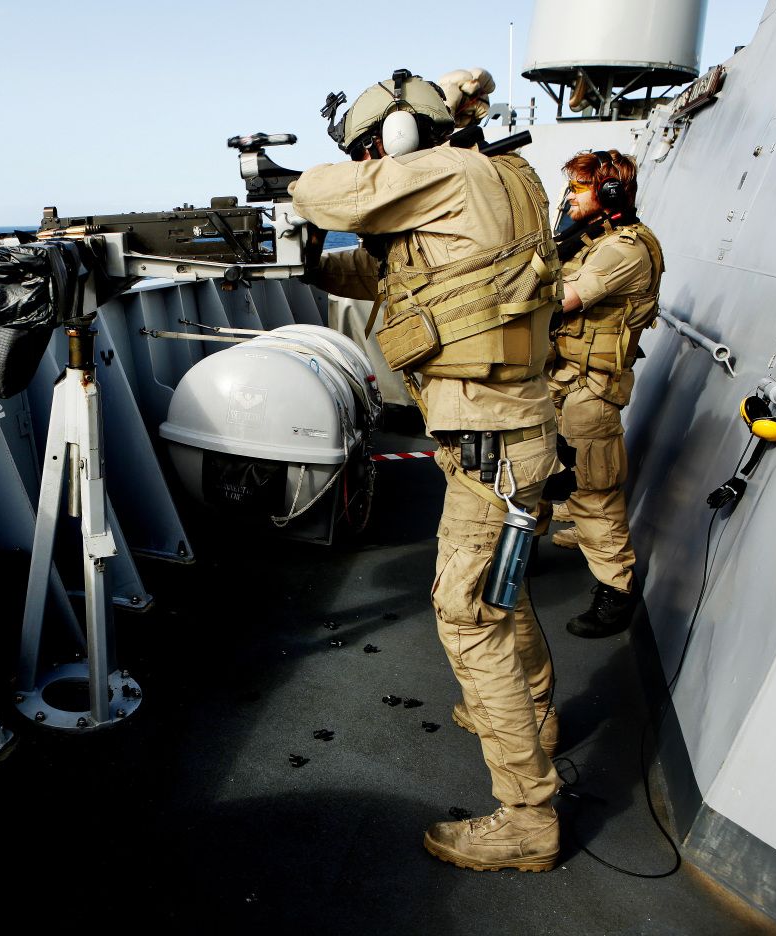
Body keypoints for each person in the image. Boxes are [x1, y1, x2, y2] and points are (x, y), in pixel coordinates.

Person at [290, 69, 564, 872]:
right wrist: (312, 266)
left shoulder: (450, 171)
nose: (377, 158)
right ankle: (536, 714)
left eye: (375, 146)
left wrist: (285, 188)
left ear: (402, 139)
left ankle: (527, 817)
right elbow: (394, 276)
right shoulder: (490, 178)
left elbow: (332, 194)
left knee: (467, 614)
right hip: (503, 431)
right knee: (498, 596)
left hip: (490, 436)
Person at [547, 151, 664, 639]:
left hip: (589, 391)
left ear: (610, 193)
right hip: (565, 381)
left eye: (578, 188)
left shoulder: (623, 250)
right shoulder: (598, 240)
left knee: (595, 491)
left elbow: (562, 298)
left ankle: (616, 589)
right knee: (550, 474)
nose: (569, 197)